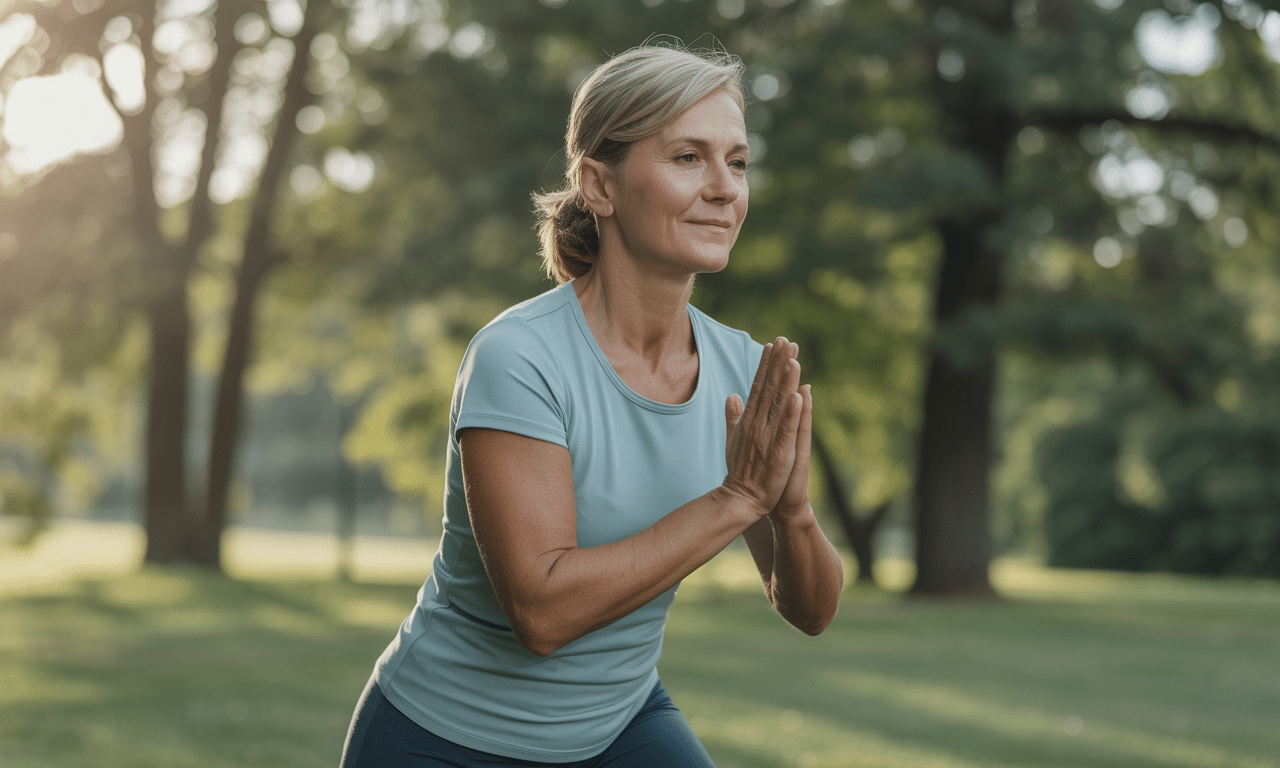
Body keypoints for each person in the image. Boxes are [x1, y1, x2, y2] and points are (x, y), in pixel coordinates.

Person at [340, 43, 845, 768]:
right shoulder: (521, 357)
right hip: (446, 738)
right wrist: (738, 499)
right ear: (598, 186)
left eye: (737, 162)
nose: (724, 188)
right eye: (686, 158)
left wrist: (790, 514)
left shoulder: (740, 367)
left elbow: (812, 611)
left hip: (617, 725)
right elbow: (542, 613)